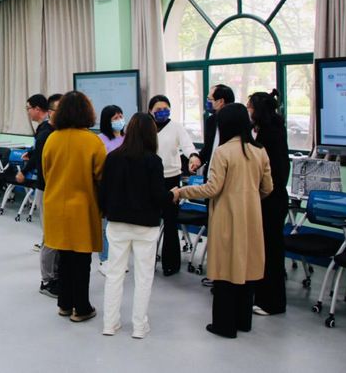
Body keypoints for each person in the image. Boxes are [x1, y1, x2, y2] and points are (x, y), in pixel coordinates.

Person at [174, 103, 272, 339]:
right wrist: (249, 199)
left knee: (226, 270)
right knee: (247, 268)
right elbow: (267, 187)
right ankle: (243, 322)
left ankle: (224, 326)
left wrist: (182, 191)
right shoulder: (259, 151)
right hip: (252, 218)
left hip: (227, 218)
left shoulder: (223, 152)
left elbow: (211, 188)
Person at [99, 113, 173, 339]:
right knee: (143, 277)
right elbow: (159, 196)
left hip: (117, 224)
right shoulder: (153, 161)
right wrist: (173, 195)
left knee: (114, 274)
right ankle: (139, 326)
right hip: (145, 226)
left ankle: (109, 324)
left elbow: (103, 192)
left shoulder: (112, 158)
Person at [42, 91, 105, 323]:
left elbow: (47, 172)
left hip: (55, 205)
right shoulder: (92, 141)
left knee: (64, 257)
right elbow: (102, 176)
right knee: (81, 260)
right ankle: (82, 308)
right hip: (82, 208)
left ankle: (64, 304)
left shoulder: (52, 139)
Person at [248, 90, 290, 316]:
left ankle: (272, 302)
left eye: (250, 107)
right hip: (271, 197)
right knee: (266, 249)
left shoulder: (269, 135)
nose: (248, 111)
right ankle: (263, 296)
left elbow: (271, 172)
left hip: (271, 200)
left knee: (271, 251)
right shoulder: (270, 130)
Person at [149, 95, 201, 276]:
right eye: (158, 109)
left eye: (166, 109)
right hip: (150, 178)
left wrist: (193, 157)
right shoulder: (147, 127)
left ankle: (170, 264)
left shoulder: (176, 127)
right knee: (150, 222)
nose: (162, 112)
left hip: (171, 178)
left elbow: (187, 146)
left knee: (171, 222)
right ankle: (148, 261)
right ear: (150, 111)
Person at [15, 94, 57, 298]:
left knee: (51, 236)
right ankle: (48, 279)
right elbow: (40, 152)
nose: (28, 112)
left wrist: (24, 171)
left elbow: (41, 154)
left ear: (38, 109)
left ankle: (49, 279)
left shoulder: (46, 130)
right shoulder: (44, 130)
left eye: (28, 108)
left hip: (48, 187)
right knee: (50, 235)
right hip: (46, 187)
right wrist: (31, 155)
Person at [96, 105, 126, 274]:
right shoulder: (100, 140)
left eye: (121, 116)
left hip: (126, 188)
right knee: (107, 227)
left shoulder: (127, 138)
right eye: (115, 118)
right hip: (108, 187)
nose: (119, 120)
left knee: (122, 228)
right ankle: (105, 259)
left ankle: (119, 259)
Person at [199, 84, 235, 179]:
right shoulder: (211, 121)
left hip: (229, 175)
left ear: (220, 101)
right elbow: (208, 148)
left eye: (209, 99)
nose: (207, 102)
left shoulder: (236, 123)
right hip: (210, 174)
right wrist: (197, 159)